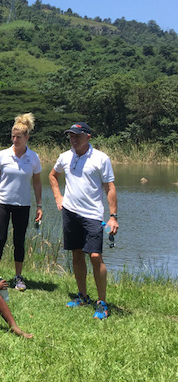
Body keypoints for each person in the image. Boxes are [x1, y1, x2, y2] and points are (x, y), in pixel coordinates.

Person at [49, 122, 118, 320]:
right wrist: (58, 197)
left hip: (93, 215)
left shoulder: (101, 159)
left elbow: (110, 188)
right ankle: (83, 296)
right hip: (70, 212)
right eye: (70, 135)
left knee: (95, 256)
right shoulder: (65, 156)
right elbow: (53, 176)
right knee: (77, 254)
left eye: (77, 135)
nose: (73, 139)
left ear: (88, 136)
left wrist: (113, 217)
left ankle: (102, 303)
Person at [0, 113, 43, 291]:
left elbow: (37, 182)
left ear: (27, 137)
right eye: (13, 136)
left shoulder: (33, 157)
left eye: (19, 137)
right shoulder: (3, 155)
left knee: (19, 240)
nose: (15, 139)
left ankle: (18, 277)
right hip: (2, 202)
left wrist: (39, 205)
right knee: (0, 239)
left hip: (23, 205)